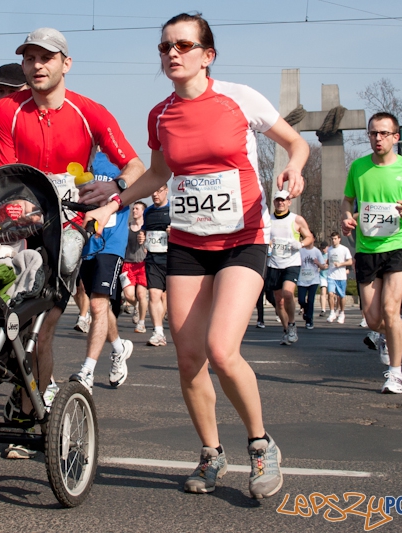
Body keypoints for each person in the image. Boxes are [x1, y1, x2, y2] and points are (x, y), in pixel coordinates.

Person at [85, 12, 309, 498]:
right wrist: (114, 203)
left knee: (222, 351)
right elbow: (158, 175)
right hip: (189, 243)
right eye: (165, 46)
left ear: (208, 55)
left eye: (183, 46)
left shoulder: (239, 98)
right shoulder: (159, 114)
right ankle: (211, 454)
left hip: (243, 240)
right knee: (188, 359)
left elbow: (295, 143)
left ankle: (260, 444)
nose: (172, 54)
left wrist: (293, 169)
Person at [0, 27, 144, 417]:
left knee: (41, 325)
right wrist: (14, 209)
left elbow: (137, 167)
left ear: (66, 63)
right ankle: (27, 387)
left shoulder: (89, 111)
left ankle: (29, 413)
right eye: (30, 58)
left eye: (47, 58)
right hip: (16, 227)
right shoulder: (5, 110)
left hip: (67, 232)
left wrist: (115, 185)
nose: (37, 66)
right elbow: (0, 176)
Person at [341, 111, 402, 394]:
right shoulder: (358, 167)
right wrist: (346, 218)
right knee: (373, 319)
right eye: (372, 133)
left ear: (395, 137)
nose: (377, 138)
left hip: (398, 244)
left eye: (382, 133)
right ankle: (383, 336)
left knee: (392, 310)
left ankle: (395, 373)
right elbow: (347, 200)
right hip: (367, 248)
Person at [69, 151, 134, 391]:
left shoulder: (120, 161)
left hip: (112, 242)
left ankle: (87, 370)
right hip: (85, 240)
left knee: (97, 304)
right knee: (96, 304)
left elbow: (140, 179)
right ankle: (119, 347)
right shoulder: (74, 160)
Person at [265, 190, 313, 344]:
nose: (281, 203)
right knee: (278, 301)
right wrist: (267, 243)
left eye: (284, 200)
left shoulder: (296, 220)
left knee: (287, 293)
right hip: (274, 263)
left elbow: (310, 237)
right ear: (274, 202)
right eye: (278, 200)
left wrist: (300, 244)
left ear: (289, 202)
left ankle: (292, 324)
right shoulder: (267, 220)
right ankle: (286, 330)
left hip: (291, 262)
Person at [141, 185, 171, 346]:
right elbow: (144, 232)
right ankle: (158, 332)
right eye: (153, 191)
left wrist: (174, 232)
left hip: (172, 259)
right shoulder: (148, 212)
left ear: (166, 191)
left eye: (158, 191)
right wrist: (142, 237)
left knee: (167, 297)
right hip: (153, 259)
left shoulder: (174, 209)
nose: (154, 194)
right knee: (153, 294)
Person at [121, 201, 149, 333]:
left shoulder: (147, 227)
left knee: (141, 294)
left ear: (143, 211)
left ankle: (141, 323)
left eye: (137, 209)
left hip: (142, 264)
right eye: (133, 209)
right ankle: (136, 306)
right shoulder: (127, 227)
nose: (134, 211)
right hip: (128, 263)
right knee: (129, 295)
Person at [298, 234, 327, 329]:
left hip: (313, 280)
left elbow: (323, 267)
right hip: (302, 280)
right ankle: (306, 310)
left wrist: (318, 263)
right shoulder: (300, 251)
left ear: (313, 239)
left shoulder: (317, 252)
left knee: (310, 300)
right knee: (301, 300)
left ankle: (309, 320)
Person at [325, 232, 352, 323]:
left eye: (335, 238)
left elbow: (350, 262)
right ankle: (332, 312)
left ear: (339, 239)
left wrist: (341, 264)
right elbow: (329, 261)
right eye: (332, 239)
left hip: (341, 276)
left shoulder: (344, 249)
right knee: (330, 294)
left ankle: (342, 313)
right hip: (331, 275)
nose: (333, 240)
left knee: (341, 296)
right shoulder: (329, 250)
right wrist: (325, 264)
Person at [318, 241, 329, 316]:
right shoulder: (320, 255)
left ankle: (334, 309)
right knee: (323, 291)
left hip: (331, 275)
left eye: (324, 248)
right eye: (322, 248)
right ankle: (323, 309)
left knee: (332, 294)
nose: (323, 250)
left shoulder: (330, 254)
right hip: (322, 276)